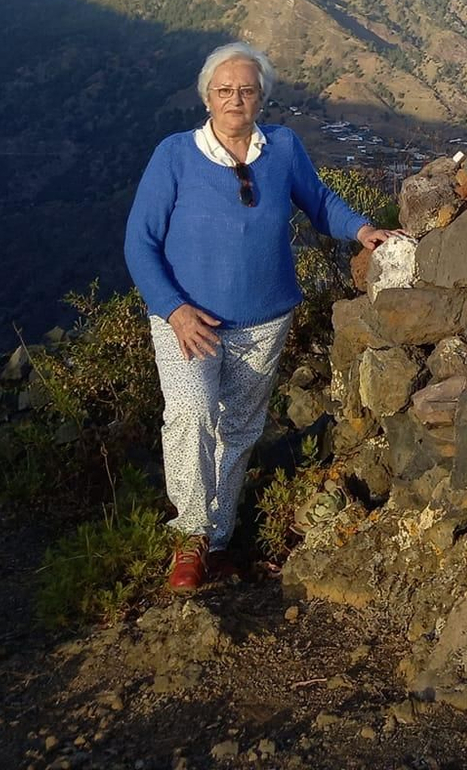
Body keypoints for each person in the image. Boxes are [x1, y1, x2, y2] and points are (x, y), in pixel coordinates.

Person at [125, 41, 394, 590]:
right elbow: (139, 242)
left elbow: (317, 201)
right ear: (207, 96)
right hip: (188, 321)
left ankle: (217, 543)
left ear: (261, 97)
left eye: (246, 90)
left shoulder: (284, 148)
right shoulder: (174, 155)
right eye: (224, 90)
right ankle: (190, 539)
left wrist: (362, 229)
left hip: (264, 319)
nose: (234, 99)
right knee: (192, 413)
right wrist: (174, 310)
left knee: (241, 429)